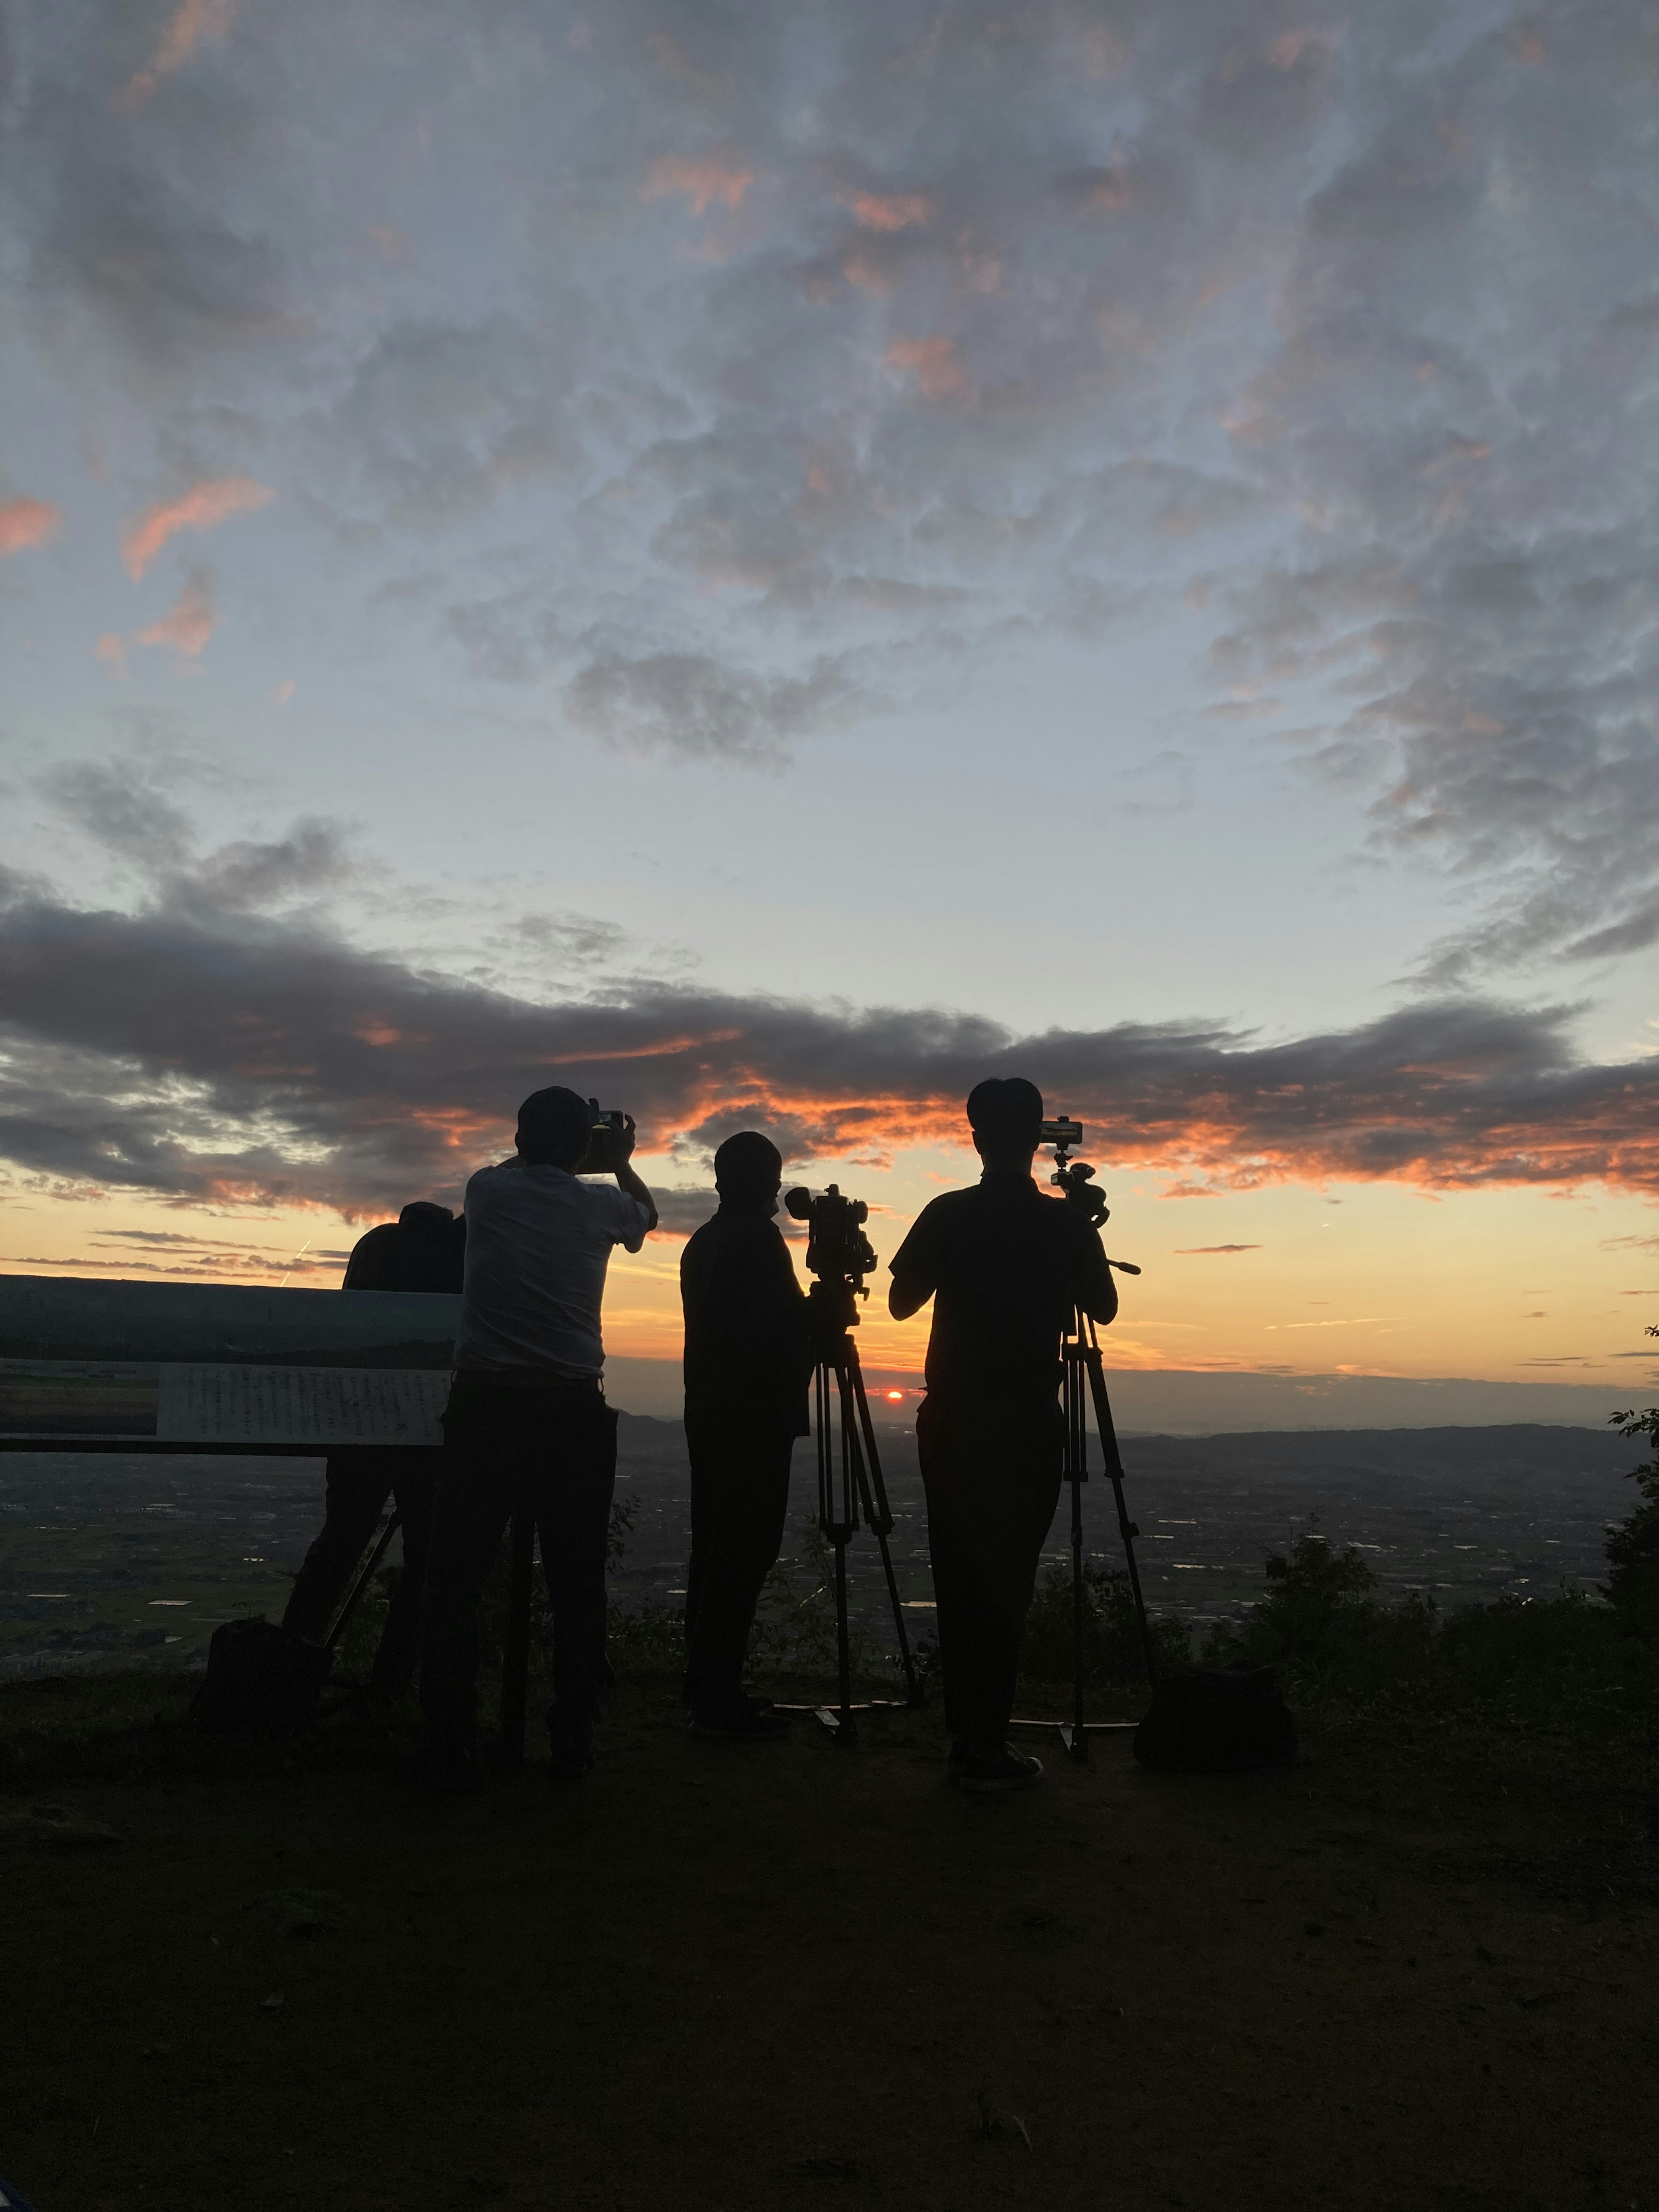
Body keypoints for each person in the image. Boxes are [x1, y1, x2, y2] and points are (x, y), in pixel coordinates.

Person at [416, 1086, 657, 1791]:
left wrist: (575, 1147)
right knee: (577, 1582)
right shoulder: (606, 1203)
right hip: (570, 1413)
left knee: (455, 1577)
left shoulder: (487, 1191)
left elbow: (530, 1168)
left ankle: (448, 1735)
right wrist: (619, 1159)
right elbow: (647, 1215)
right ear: (584, 1145)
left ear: (520, 1140)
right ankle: (572, 1737)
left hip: (485, 1407)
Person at [888, 1077, 1117, 1793]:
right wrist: (1084, 1228)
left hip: (955, 1419)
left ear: (977, 1136)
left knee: (958, 1572)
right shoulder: (1064, 1225)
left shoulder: (947, 1213)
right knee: (1008, 1577)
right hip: (1027, 1420)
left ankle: (970, 1737)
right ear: (1037, 1138)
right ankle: (987, 1741)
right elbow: (1103, 1307)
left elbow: (899, 1303)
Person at [280, 1200, 465, 1692]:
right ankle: (393, 1675)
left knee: (340, 1539)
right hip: (423, 1428)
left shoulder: (373, 1245)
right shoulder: (448, 1260)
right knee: (426, 1555)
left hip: (355, 1418)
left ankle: (290, 1665)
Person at [679, 1132, 815, 1742]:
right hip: (753, 1419)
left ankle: (705, 1685)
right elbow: (779, 1332)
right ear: (770, 1184)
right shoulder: (757, 1239)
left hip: (709, 1412)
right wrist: (821, 1316)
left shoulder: (703, 1240)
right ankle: (718, 1697)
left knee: (712, 1549)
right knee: (741, 1554)